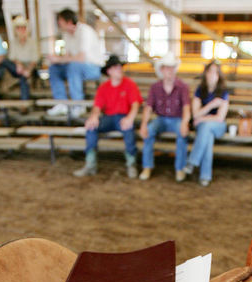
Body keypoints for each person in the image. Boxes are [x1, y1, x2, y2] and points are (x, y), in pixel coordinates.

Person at [73, 55, 142, 178]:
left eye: (120, 66)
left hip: (123, 116)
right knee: (91, 126)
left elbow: (135, 104)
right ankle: (90, 163)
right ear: (109, 71)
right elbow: (97, 106)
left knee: (128, 129)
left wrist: (130, 118)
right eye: (116, 67)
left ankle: (131, 163)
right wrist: (94, 117)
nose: (119, 69)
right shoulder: (103, 88)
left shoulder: (129, 84)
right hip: (109, 117)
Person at [139, 52, 191, 182]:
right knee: (149, 131)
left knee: (182, 134)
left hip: (177, 119)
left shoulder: (183, 87)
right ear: (162, 70)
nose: (170, 71)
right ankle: (147, 166)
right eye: (167, 68)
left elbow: (186, 107)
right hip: (160, 118)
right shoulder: (155, 87)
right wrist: (144, 124)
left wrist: (185, 122)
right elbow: (148, 107)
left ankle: (179, 168)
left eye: (172, 67)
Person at [47, 8, 103, 118]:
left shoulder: (85, 31)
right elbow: (68, 56)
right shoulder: (67, 35)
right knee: (54, 68)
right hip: (75, 67)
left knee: (74, 66)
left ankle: (78, 105)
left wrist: (60, 59)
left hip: (93, 67)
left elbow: (81, 58)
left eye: (60, 22)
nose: (59, 24)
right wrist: (56, 59)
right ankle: (61, 103)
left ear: (68, 22)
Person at [183, 61, 229, 186]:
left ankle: (192, 161)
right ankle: (205, 176)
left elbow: (220, 118)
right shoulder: (199, 90)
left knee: (206, 127)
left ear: (219, 75)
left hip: (218, 127)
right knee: (207, 136)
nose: (212, 75)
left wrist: (203, 118)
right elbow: (195, 114)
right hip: (204, 128)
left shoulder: (224, 92)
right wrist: (211, 105)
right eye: (210, 71)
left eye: (215, 72)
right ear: (206, 73)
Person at [0, 15, 39, 100]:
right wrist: (19, 65)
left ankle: (24, 103)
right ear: (15, 30)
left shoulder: (33, 42)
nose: (21, 30)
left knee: (24, 77)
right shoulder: (13, 42)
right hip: (16, 67)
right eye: (19, 28)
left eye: (23, 28)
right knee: (4, 61)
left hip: (29, 68)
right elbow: (12, 58)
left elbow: (35, 60)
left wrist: (27, 70)